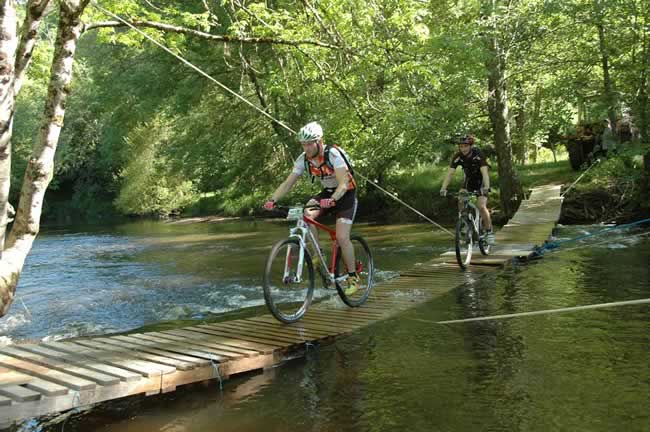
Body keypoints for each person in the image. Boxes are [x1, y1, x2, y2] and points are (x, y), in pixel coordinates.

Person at [263, 122, 360, 294]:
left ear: (319, 141)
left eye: (309, 144)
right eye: (303, 144)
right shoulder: (303, 159)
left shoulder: (333, 155)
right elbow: (287, 183)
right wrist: (272, 200)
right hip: (328, 193)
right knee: (306, 212)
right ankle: (319, 254)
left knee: (342, 237)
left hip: (345, 195)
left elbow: (344, 183)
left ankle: (353, 277)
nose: (306, 148)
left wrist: (333, 199)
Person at [439, 134, 495, 245]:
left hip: (482, 182)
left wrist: (486, 188)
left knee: (481, 206)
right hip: (469, 181)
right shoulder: (458, 156)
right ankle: (464, 222)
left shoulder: (478, 154)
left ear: (470, 146)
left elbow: (484, 172)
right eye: (461, 146)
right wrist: (443, 188)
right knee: (460, 198)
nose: (463, 149)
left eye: (465, 146)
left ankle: (489, 233)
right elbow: (450, 174)